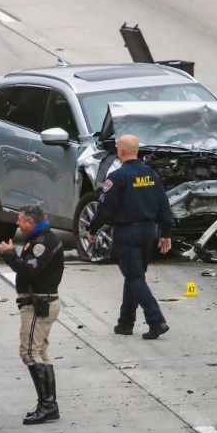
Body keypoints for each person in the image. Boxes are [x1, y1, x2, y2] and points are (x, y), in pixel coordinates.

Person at [87, 134, 173, 339]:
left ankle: (156, 320)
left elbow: (105, 209)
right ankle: (125, 323)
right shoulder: (151, 174)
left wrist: (92, 230)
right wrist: (166, 233)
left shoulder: (117, 177)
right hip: (147, 232)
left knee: (134, 277)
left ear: (120, 151)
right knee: (134, 277)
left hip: (127, 233)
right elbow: (164, 205)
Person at [0, 205, 64, 425]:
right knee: (40, 353)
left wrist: (8, 255)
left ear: (30, 222)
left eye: (20, 220)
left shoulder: (42, 243)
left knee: (29, 352)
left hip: (38, 304)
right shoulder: (40, 238)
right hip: (41, 302)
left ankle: (47, 405)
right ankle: (48, 404)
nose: (17, 223)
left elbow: (28, 270)